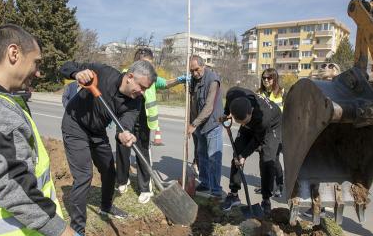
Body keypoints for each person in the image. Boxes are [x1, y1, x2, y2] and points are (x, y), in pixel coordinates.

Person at [0, 24, 97, 236]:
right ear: (14, 53)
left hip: (26, 230)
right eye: (36, 62)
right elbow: (14, 185)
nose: (39, 73)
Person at [60, 59, 157, 235]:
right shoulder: (102, 71)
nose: (142, 92)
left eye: (146, 89)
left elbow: (125, 124)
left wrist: (123, 134)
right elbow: (66, 66)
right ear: (129, 77)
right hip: (75, 126)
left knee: (109, 171)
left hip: (97, 132)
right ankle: (78, 233)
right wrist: (76, 74)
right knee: (84, 176)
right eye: (141, 87)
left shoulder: (135, 101)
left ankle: (106, 207)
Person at [115, 47, 187, 204]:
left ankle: (145, 188)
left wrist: (179, 80)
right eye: (146, 64)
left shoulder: (152, 76)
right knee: (122, 149)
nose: (149, 68)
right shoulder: (127, 73)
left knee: (142, 152)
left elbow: (165, 84)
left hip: (144, 119)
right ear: (137, 62)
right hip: (126, 116)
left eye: (151, 65)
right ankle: (122, 180)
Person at [221, 87, 282, 215]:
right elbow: (229, 106)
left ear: (251, 111)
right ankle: (233, 195)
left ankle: (266, 200)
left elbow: (257, 140)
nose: (242, 125)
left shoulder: (263, 117)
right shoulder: (233, 94)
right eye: (239, 122)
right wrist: (226, 113)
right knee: (236, 156)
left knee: (267, 161)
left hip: (272, 127)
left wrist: (244, 155)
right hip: (252, 123)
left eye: (244, 122)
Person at [188, 55, 223, 198]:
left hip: (212, 124)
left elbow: (208, 107)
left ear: (203, 66)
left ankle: (215, 190)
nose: (195, 73)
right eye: (192, 71)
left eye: (196, 70)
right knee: (201, 155)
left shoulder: (213, 79)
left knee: (213, 157)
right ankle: (205, 182)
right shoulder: (193, 80)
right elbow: (192, 102)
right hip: (198, 125)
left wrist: (194, 124)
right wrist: (189, 123)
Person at [256, 68, 284, 197]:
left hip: (277, 131)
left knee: (274, 159)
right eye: (264, 78)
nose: (266, 80)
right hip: (263, 131)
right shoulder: (259, 93)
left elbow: (285, 113)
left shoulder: (281, 93)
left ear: (274, 79)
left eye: (269, 78)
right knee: (263, 158)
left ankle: (279, 184)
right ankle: (265, 185)